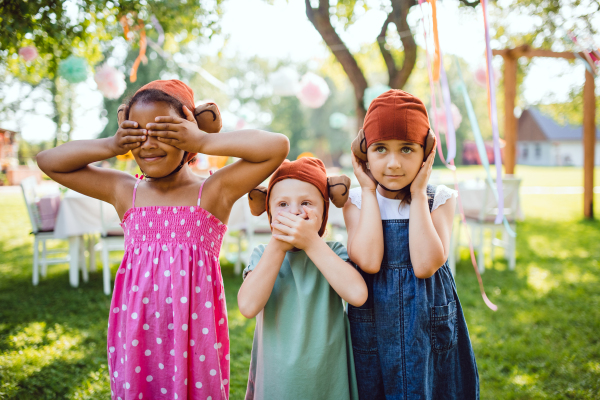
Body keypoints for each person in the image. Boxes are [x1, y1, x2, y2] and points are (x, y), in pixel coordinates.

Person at [36, 79, 289, 400]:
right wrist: (112, 145)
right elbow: (48, 160)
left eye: (162, 131)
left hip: (194, 341)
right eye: (137, 133)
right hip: (137, 336)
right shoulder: (124, 190)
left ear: (187, 132)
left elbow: (277, 146)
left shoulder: (213, 191)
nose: (148, 143)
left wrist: (203, 140)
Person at [344, 89, 479, 399]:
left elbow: (425, 264)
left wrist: (419, 194)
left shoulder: (438, 198)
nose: (393, 163)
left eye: (407, 149)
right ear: (364, 153)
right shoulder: (355, 200)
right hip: (373, 320)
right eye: (380, 149)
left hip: (427, 322)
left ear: (427, 152)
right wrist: (367, 190)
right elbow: (369, 261)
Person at [238, 157, 367, 400]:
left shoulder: (333, 252)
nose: (295, 212)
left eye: (306, 203)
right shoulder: (263, 255)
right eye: (283, 204)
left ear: (324, 213)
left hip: (328, 377)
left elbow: (358, 295)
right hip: (278, 380)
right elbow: (247, 306)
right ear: (269, 213)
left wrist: (311, 242)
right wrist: (277, 247)